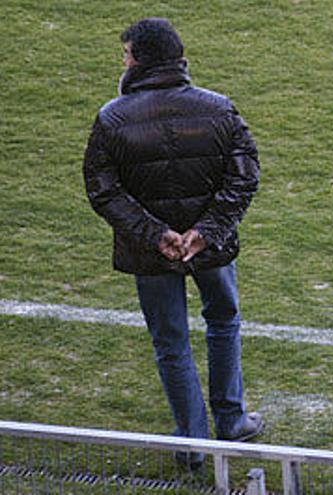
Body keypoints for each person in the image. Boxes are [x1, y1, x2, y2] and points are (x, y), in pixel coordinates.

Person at [83, 18, 262, 468]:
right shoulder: (219, 109)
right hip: (212, 247)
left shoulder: (113, 118)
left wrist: (156, 236)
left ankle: (192, 443)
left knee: (171, 341)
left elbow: (103, 189)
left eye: (125, 56)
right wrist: (205, 233)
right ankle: (232, 422)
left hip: (152, 253)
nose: (122, 63)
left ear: (139, 62)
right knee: (223, 321)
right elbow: (244, 177)